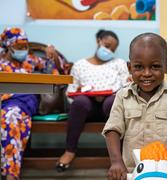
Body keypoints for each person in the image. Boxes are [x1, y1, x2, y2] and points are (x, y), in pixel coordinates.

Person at [102, 32, 167, 180]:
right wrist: (116, 162)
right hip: (135, 172)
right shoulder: (123, 96)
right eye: (139, 67)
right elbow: (112, 129)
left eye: (155, 66)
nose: (147, 73)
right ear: (129, 68)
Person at [56, 29, 130, 172]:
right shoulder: (79, 65)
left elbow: (126, 89)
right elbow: (70, 92)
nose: (109, 51)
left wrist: (128, 83)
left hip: (110, 107)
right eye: (107, 46)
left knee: (113, 102)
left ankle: (119, 156)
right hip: (86, 109)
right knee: (80, 102)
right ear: (99, 41)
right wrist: (82, 92)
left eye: (113, 49)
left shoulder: (119, 64)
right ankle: (69, 151)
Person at [0, 27, 61, 180]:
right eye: (19, 47)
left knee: (11, 117)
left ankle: (10, 175)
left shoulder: (31, 60)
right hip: (4, 102)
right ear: (9, 46)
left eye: (25, 46)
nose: (24, 50)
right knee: (12, 121)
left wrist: (50, 57)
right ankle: (10, 172)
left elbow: (52, 74)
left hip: (25, 100)